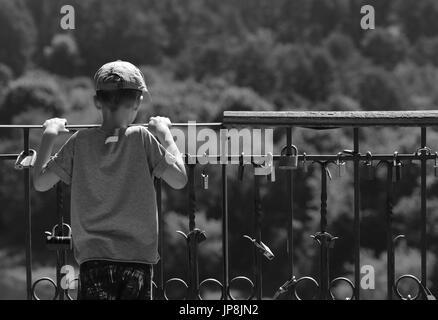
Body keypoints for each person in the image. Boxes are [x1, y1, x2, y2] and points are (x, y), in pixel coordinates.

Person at [33, 60, 187, 300]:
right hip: (137, 258)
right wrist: (165, 133)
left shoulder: (80, 141)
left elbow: (41, 182)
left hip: (93, 258)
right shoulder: (142, 138)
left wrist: (49, 135)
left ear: (97, 101)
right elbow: (179, 179)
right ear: (138, 102)